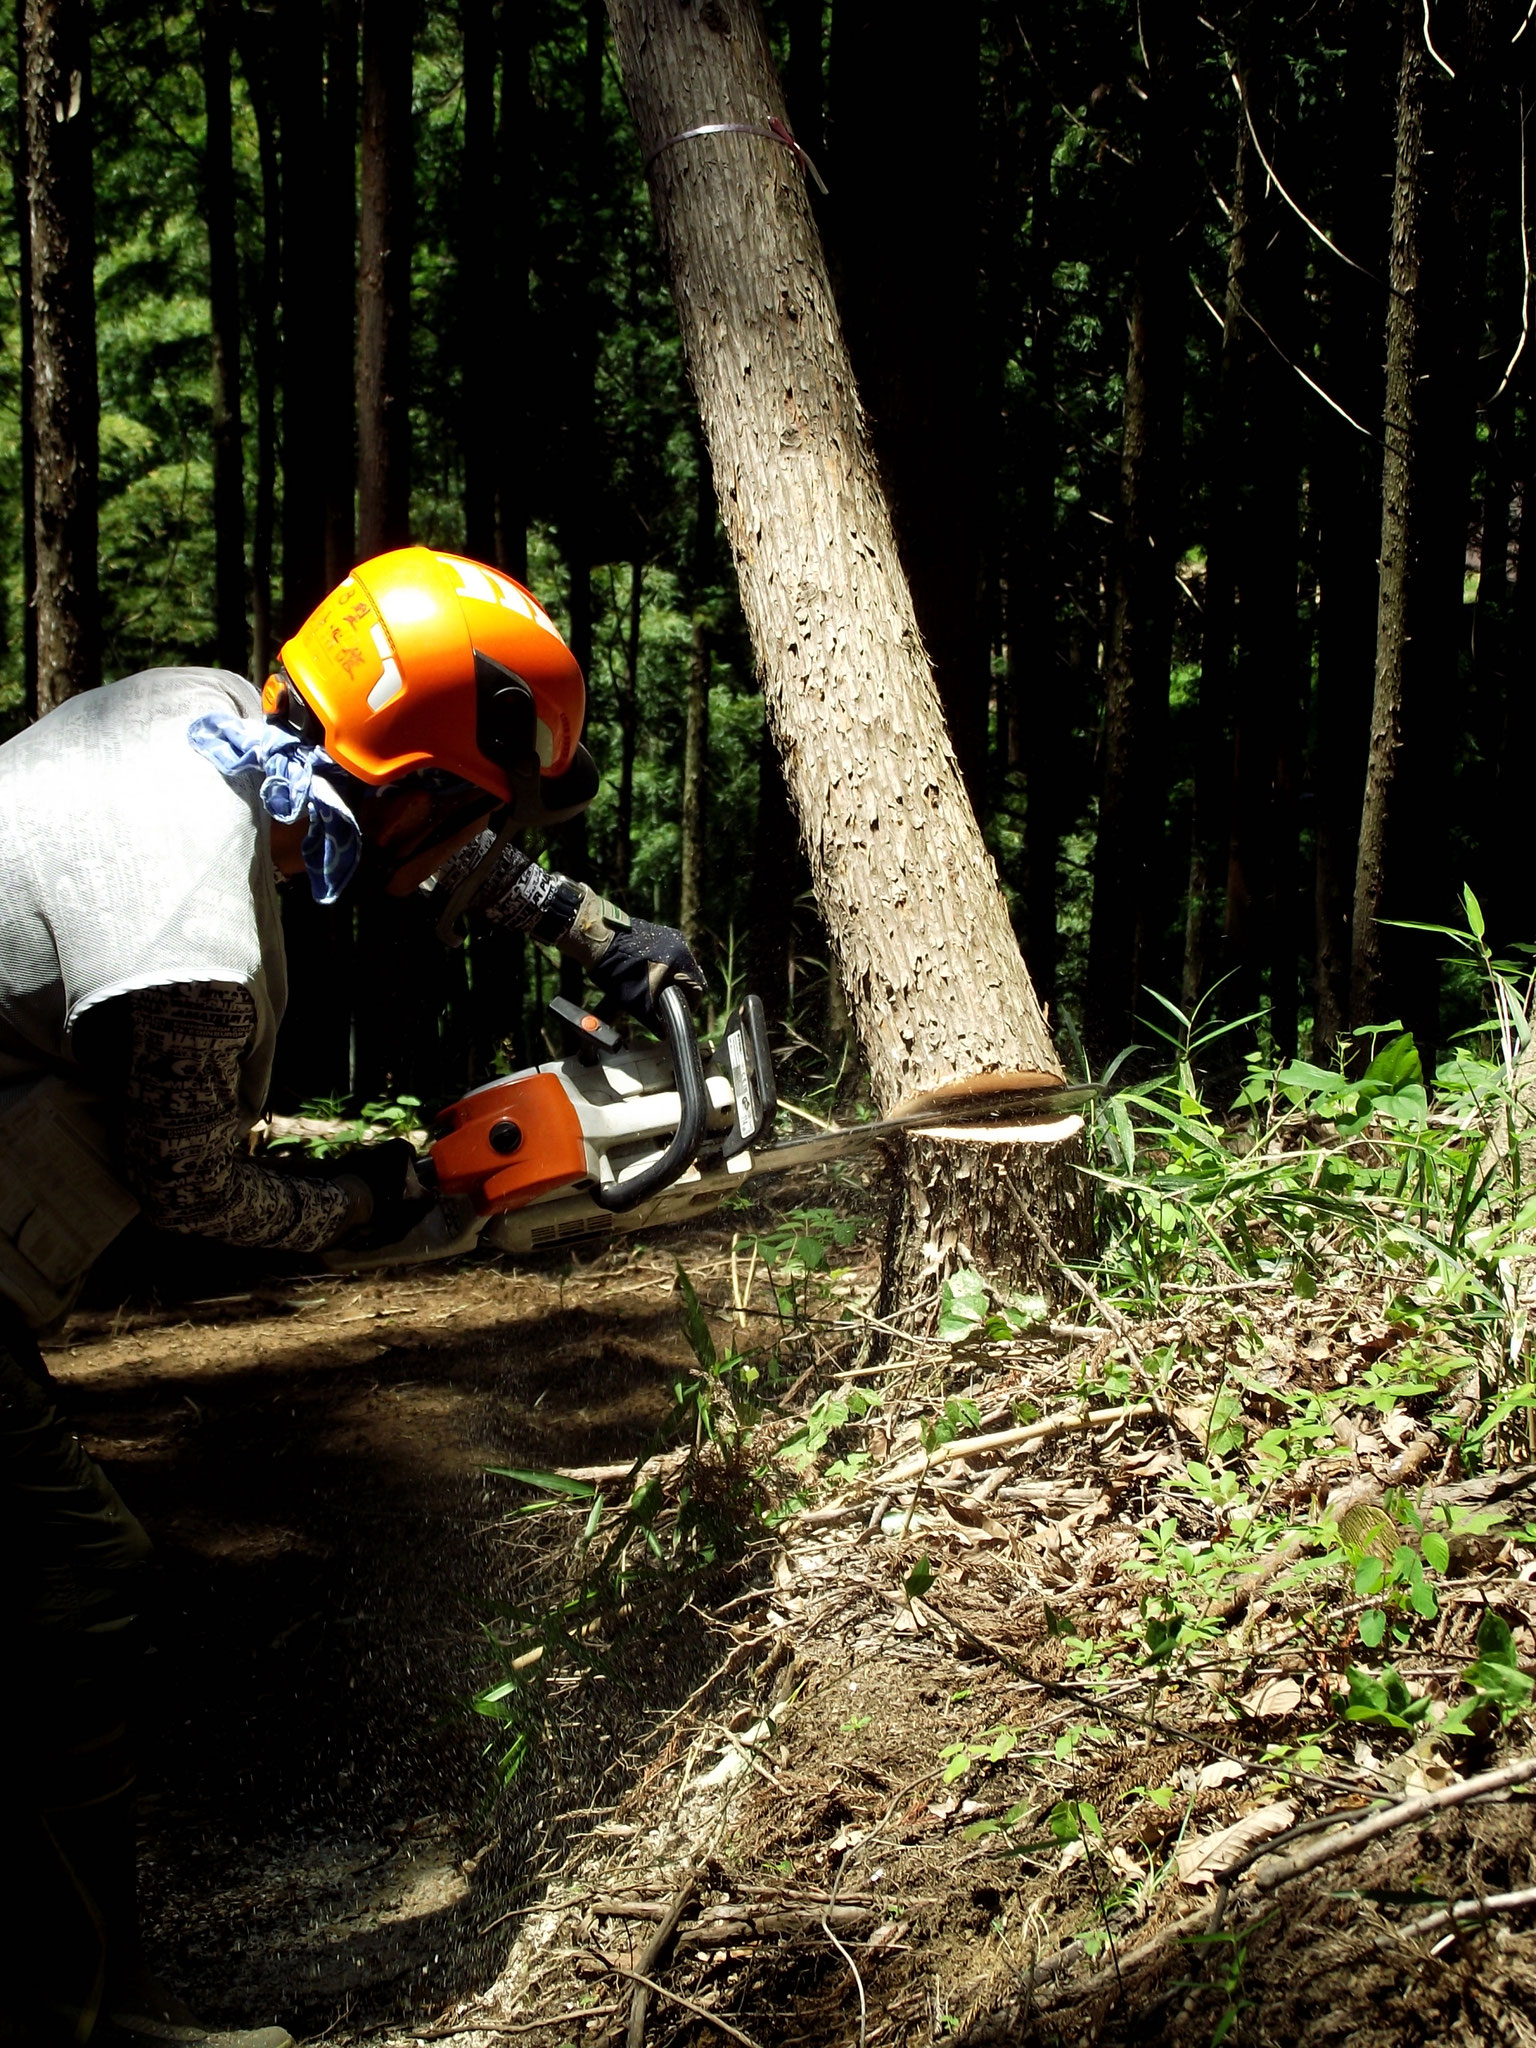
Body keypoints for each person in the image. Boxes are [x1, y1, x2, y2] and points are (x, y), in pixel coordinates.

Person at [0, 547, 705, 2047]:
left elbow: (412, 826)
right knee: (70, 1586)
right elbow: (198, 1193)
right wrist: (389, 1200)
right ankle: (81, 2013)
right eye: (473, 804)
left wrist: (591, 931)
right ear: (421, 781)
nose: (470, 838)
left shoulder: (203, 722)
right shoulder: (184, 928)